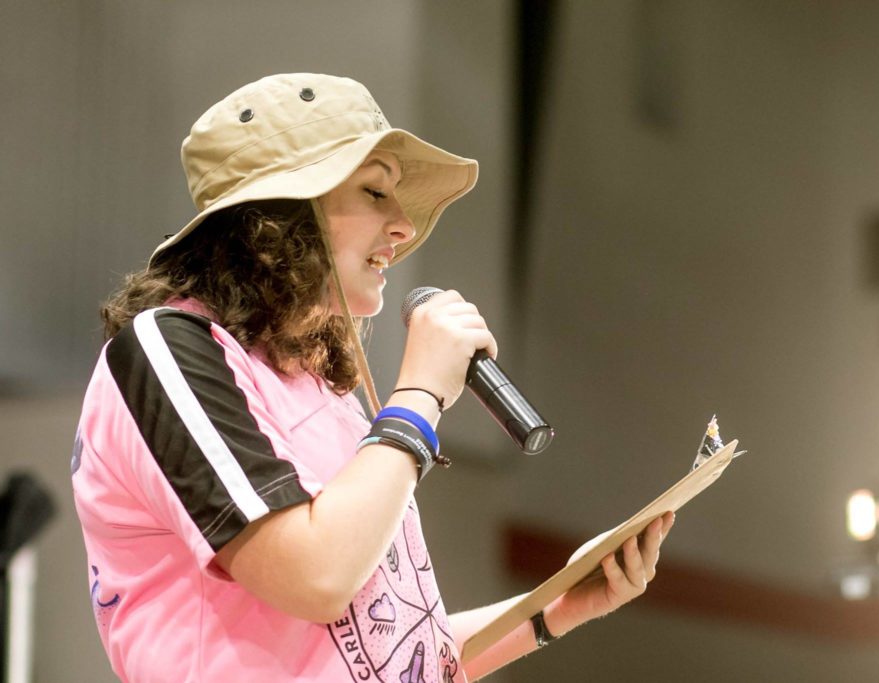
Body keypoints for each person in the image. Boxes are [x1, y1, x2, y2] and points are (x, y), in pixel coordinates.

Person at [71, 73, 675, 682]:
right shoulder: (167, 348)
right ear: (283, 212)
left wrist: (553, 608)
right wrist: (418, 396)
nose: (404, 228)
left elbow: (394, 654)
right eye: (375, 192)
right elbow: (315, 578)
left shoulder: (317, 387)